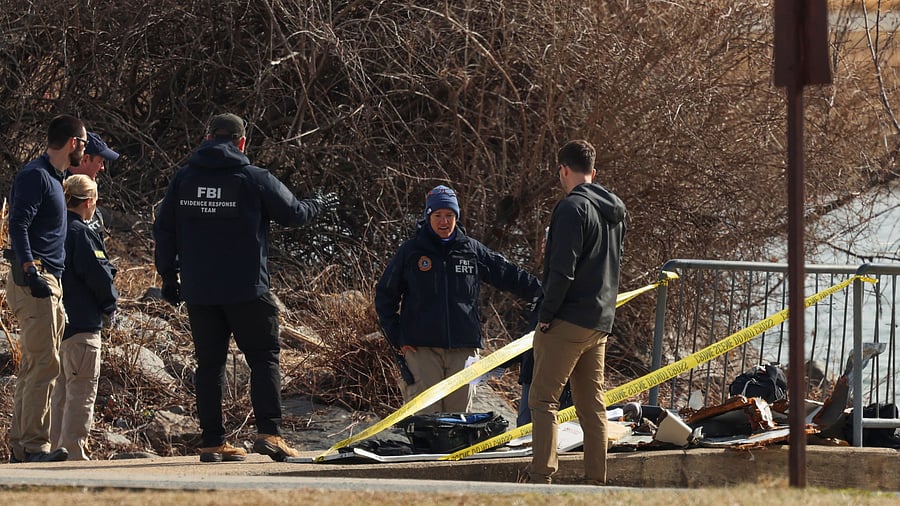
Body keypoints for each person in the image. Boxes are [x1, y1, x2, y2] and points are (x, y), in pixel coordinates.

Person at [153, 113, 339, 463]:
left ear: (207, 137)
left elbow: (164, 231)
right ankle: (269, 433)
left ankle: (212, 441)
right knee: (264, 358)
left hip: (200, 292)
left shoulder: (184, 180)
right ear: (241, 142)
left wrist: (168, 277)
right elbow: (295, 213)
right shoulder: (253, 178)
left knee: (209, 366)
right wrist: (320, 204)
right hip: (247, 290)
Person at [375, 185, 542, 414]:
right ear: (428, 216)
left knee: (458, 419)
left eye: (450, 215)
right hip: (421, 350)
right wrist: (399, 339)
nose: (444, 221)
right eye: (438, 216)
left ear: (457, 216)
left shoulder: (471, 250)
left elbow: (508, 274)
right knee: (426, 417)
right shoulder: (411, 252)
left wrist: (543, 292)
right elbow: (385, 296)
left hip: (464, 349)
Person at [528, 139, 626, 485]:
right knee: (591, 404)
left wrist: (545, 313)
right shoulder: (615, 210)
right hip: (600, 320)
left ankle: (542, 475)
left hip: (567, 319)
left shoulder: (571, 209)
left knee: (542, 398)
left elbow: (562, 271)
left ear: (563, 170)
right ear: (593, 173)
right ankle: (596, 481)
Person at [6, 114, 88, 463]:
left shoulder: (56, 178)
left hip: (47, 278)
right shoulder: (36, 176)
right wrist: (28, 269)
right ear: (72, 142)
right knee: (45, 364)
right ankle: (35, 445)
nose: (84, 151)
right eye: (83, 144)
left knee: (35, 365)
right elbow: (18, 224)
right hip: (36, 277)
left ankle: (21, 444)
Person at [50, 174, 118, 460]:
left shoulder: (54, 229)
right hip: (83, 324)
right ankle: (74, 451)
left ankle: (55, 449)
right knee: (81, 391)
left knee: (61, 392)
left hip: (59, 324)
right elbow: (99, 275)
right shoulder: (82, 233)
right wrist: (110, 304)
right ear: (89, 201)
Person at [66, 131, 120, 234]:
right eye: (99, 162)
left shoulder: (87, 189)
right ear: (85, 159)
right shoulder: (57, 189)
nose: (102, 168)